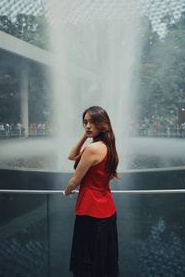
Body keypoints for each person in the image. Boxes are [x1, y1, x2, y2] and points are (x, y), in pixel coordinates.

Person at [64, 106, 119, 277]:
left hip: (90, 211)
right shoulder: (108, 147)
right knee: (103, 259)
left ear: (102, 124)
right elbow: (71, 156)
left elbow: (75, 180)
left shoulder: (93, 149)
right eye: (85, 122)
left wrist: (66, 191)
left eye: (92, 122)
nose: (87, 125)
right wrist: (86, 135)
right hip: (108, 210)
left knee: (87, 260)